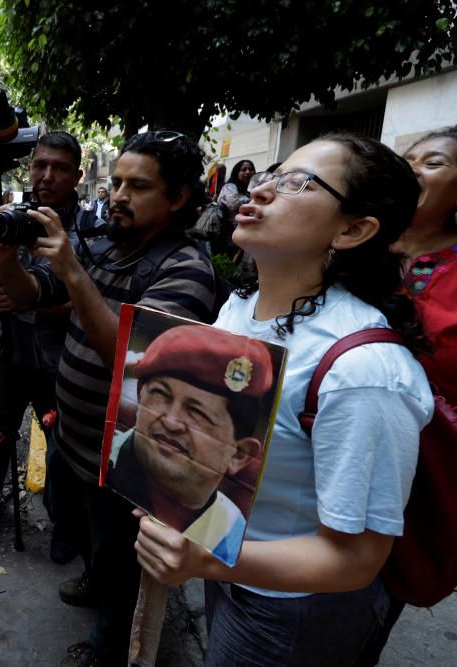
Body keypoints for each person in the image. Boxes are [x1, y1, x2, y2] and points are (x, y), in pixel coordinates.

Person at [135, 134, 434, 667]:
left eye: (298, 183)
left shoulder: (363, 370)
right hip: (229, 566)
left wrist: (209, 561)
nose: (264, 189)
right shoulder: (241, 306)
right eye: (273, 173)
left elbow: (357, 560)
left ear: (352, 229)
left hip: (293, 614)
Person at [0, 130, 218, 666]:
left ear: (179, 197)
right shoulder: (106, 247)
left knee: (121, 556)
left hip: (128, 456)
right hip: (75, 437)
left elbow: (132, 360)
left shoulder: (186, 270)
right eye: (115, 183)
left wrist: (71, 270)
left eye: (137, 186)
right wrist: (5, 259)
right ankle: (95, 582)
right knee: (96, 537)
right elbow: (28, 296)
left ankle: (106, 646)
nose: (117, 195)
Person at [0, 131, 103, 543]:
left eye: (60, 168)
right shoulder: (8, 215)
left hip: (60, 360)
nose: (47, 175)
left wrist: (30, 302)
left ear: (77, 175)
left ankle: (65, 524)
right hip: (7, 351)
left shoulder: (91, 228)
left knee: (64, 449)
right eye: (40, 165)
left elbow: (91, 301)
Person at [359, 126, 457, 663]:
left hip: (422, 478)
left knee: (365, 613)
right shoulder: (355, 247)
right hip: (321, 453)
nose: (413, 168)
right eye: (407, 158)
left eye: (434, 162)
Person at [105, 325, 271, 567]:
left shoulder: (230, 529)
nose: (171, 422)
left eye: (197, 413)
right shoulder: (104, 464)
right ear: (140, 401)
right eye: (160, 395)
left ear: (239, 454)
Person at [215, 160, 255, 257]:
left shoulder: (252, 190)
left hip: (247, 236)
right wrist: (255, 200)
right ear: (237, 172)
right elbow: (234, 203)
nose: (248, 172)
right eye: (244, 169)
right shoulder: (229, 187)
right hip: (229, 235)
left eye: (250, 169)